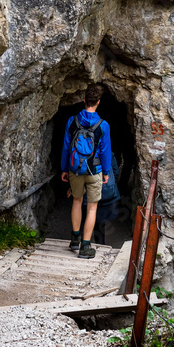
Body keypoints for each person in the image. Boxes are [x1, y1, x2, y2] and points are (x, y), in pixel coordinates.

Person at [60, 83, 112, 258]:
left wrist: (64, 168)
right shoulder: (103, 125)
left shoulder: (72, 121)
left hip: (75, 169)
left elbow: (66, 147)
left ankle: (75, 240)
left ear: (84, 100)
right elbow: (105, 151)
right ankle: (86, 247)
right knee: (91, 207)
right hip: (94, 170)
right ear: (98, 102)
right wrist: (106, 172)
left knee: (76, 201)